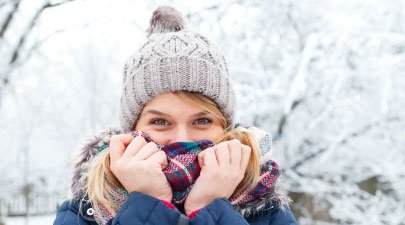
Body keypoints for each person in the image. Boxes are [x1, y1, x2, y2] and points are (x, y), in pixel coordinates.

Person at [53, 5, 298, 225]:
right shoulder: (85, 210)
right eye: (160, 121)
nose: (181, 138)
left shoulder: (267, 209)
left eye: (202, 120)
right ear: (132, 129)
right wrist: (150, 204)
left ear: (226, 127)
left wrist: (210, 208)